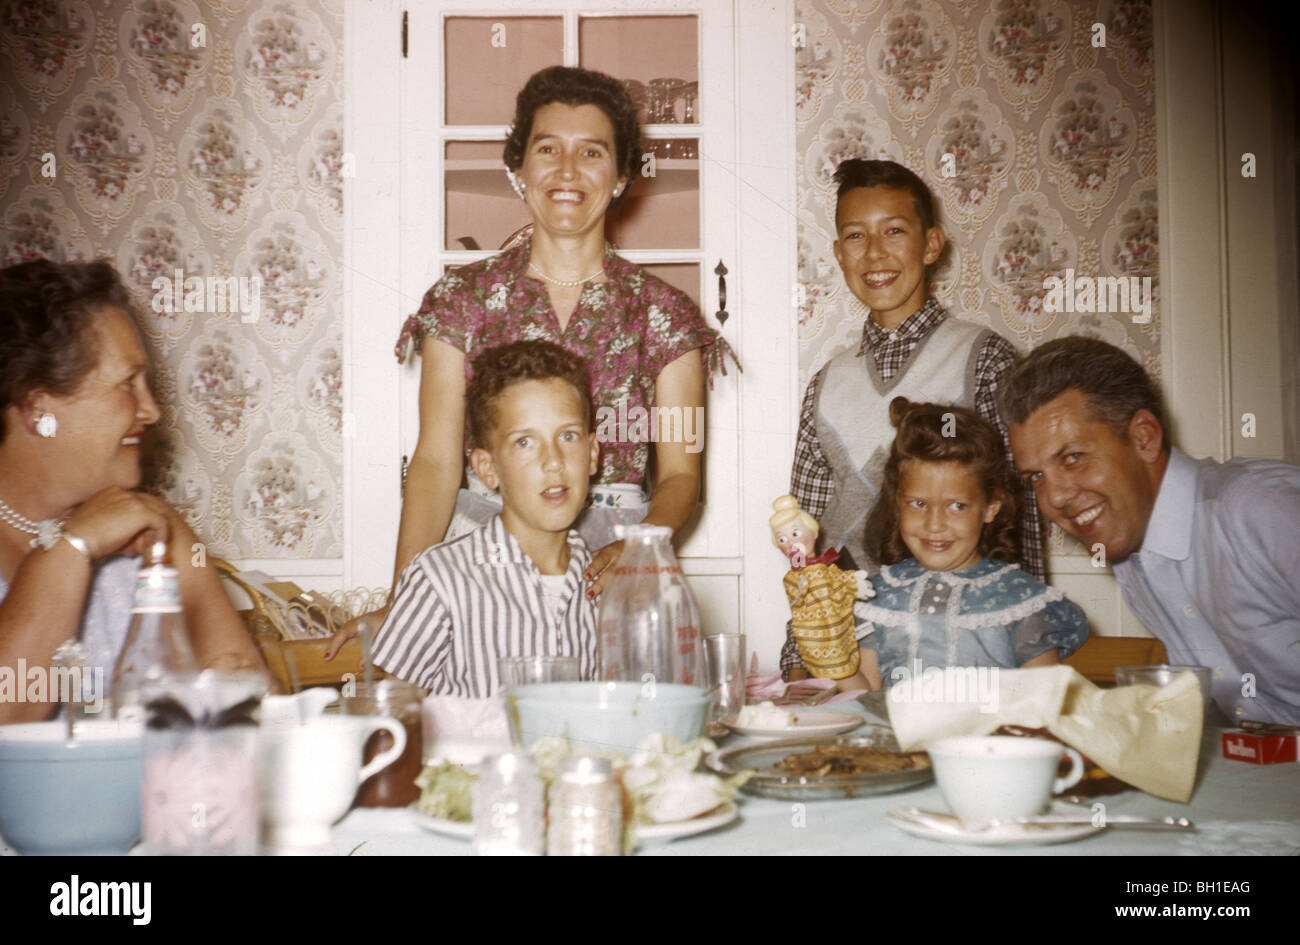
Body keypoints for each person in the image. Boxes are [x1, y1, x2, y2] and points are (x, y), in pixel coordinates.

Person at [387, 65, 734, 614]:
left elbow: (680, 475)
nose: (568, 170)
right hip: (481, 561)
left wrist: (640, 547)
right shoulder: (462, 299)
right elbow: (434, 462)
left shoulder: (665, 313)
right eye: (548, 149)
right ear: (518, 168)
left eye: (593, 152)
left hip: (617, 562)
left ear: (621, 176)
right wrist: (403, 599)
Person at [782, 158, 1043, 679]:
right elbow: (804, 541)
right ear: (838, 253)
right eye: (855, 236)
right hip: (848, 659)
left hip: (955, 652)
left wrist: (1020, 646)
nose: (875, 253)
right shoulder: (827, 383)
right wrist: (798, 656)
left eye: (894, 231)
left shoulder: (985, 360)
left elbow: (1020, 519)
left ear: (930, 245)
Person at [0, 260, 266, 724]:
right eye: (128, 384)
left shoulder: (152, 527)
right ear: (37, 407)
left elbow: (247, 706)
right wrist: (72, 551)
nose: (152, 410)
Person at [1001, 336, 1300, 724]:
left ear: (1144, 437)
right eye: (1036, 477)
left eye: (1073, 457)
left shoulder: (1261, 510)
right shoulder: (1132, 554)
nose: (1054, 497)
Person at [369, 341, 599, 698]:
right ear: (487, 469)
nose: (553, 461)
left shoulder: (608, 586)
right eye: (525, 442)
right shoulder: (439, 579)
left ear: (593, 453)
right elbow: (394, 720)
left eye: (568, 436)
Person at [853, 398, 1088, 691]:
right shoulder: (877, 598)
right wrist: (832, 660)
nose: (934, 524)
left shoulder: (1020, 601)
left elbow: (1043, 702)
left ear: (991, 507)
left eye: (957, 506)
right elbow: (868, 698)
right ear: (898, 503)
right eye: (918, 503)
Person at [769, 495, 872, 685]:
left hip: (844, 635)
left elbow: (840, 583)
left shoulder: (829, 569)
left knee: (864, 686)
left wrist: (855, 583)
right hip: (821, 645)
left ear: (814, 533)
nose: (791, 543)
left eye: (795, 534)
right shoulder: (793, 579)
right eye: (781, 539)